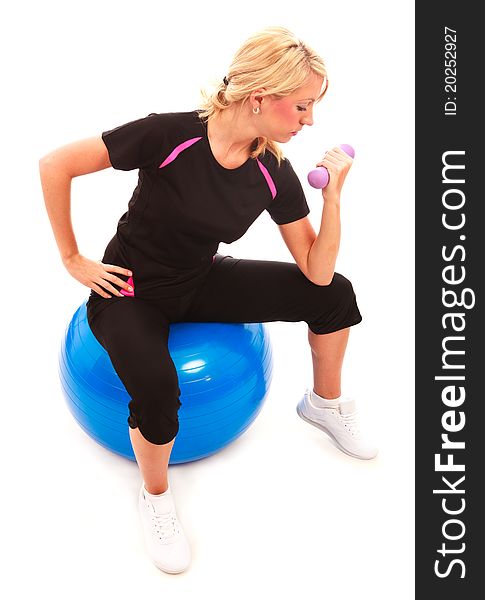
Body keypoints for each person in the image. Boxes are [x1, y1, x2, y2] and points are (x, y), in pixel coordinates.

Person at [39, 26, 377, 575]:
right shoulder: (168, 135)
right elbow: (56, 164)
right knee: (157, 387)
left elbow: (317, 274)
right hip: (129, 290)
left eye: (313, 107)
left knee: (337, 297)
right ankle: (155, 497)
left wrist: (332, 199)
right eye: (302, 106)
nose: (309, 120)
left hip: (199, 281)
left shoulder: (272, 170)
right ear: (261, 96)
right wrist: (73, 259)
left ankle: (325, 404)